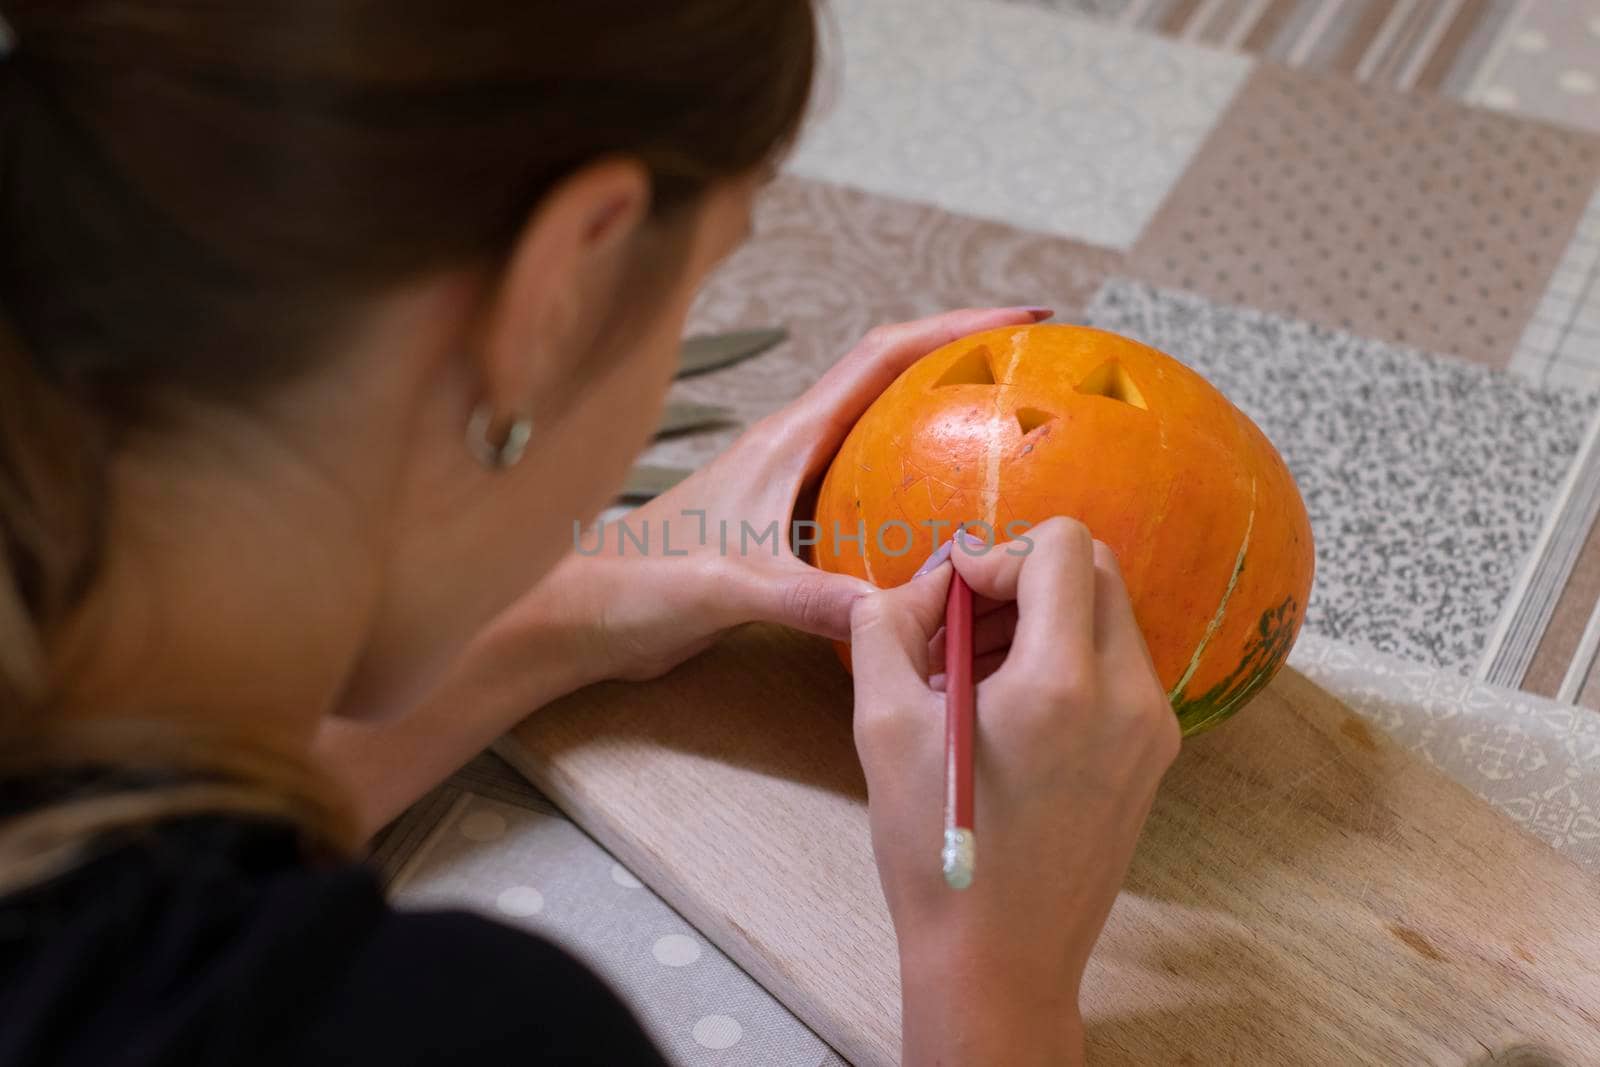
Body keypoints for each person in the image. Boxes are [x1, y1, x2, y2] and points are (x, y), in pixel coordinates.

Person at [0, 2, 1179, 1064]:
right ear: (560, 289)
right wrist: (997, 991)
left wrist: (584, 598)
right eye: (697, 285)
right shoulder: (468, 1033)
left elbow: (139, 862)